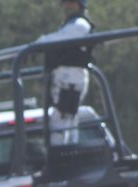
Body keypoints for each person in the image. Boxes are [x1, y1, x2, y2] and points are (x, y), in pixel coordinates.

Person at [36, 0, 95, 145]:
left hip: (71, 80)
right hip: (65, 79)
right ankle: (67, 154)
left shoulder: (79, 25)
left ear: (80, 5)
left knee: (61, 120)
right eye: (66, 3)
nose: (67, 6)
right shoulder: (70, 24)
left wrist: (34, 46)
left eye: (71, 3)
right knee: (66, 120)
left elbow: (56, 39)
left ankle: (62, 157)